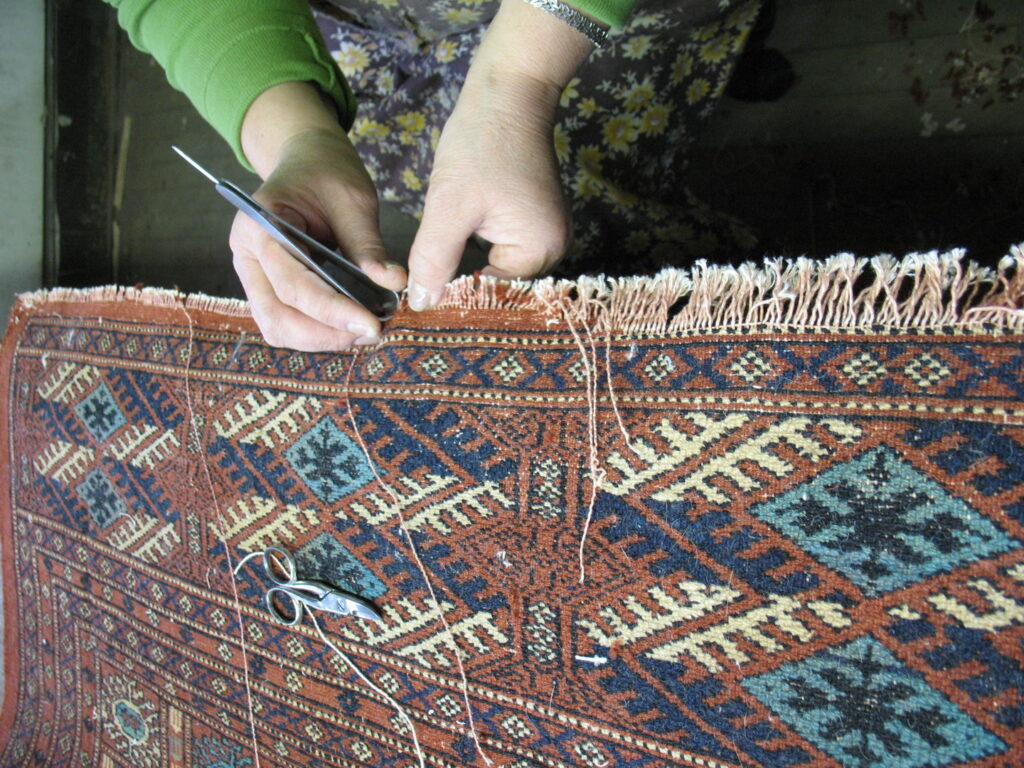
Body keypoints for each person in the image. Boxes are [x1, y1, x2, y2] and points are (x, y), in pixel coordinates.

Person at [107, 0, 762, 351]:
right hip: (354, 25)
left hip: (590, 13)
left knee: (613, 147)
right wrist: (295, 135)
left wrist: (519, 82)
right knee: (424, 167)